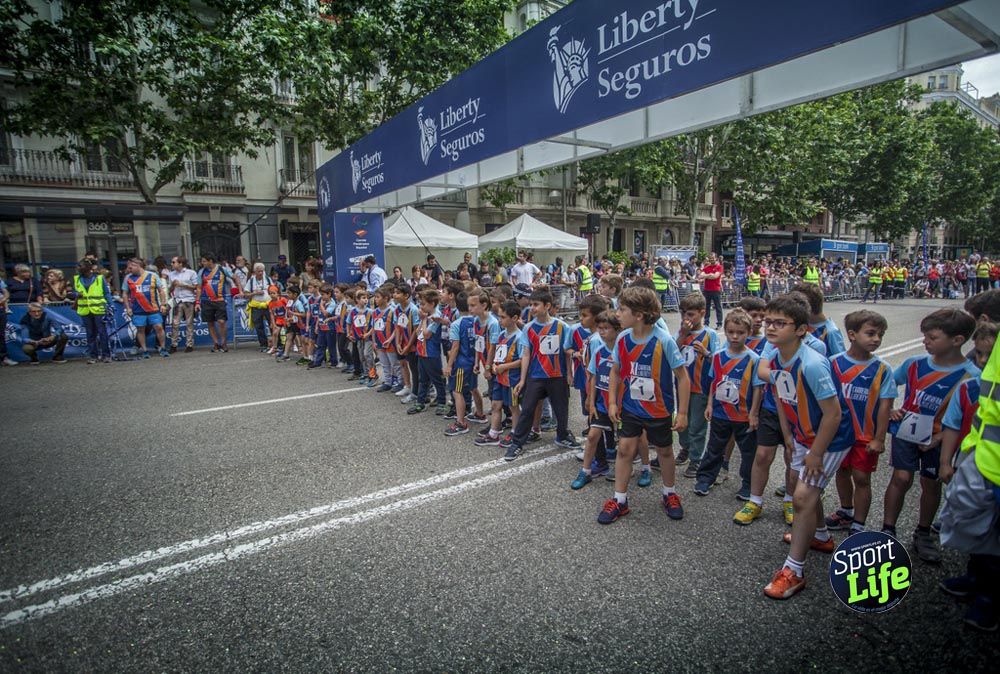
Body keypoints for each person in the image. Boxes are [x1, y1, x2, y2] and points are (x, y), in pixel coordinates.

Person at [759, 295, 854, 600]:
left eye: (780, 323)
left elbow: (834, 414)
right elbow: (780, 396)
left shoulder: (812, 364)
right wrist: (789, 437)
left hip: (828, 439)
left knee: (802, 497)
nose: (771, 328)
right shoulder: (774, 356)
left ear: (801, 329)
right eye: (768, 321)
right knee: (809, 492)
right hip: (802, 435)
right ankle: (822, 537)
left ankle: (794, 571)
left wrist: (815, 453)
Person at [881, 308, 979, 563]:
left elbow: (967, 420)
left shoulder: (971, 376)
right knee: (901, 478)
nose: (925, 341)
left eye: (932, 337)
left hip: (940, 438)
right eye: (924, 336)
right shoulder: (915, 363)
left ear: (957, 340)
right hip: (907, 430)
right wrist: (890, 409)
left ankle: (923, 532)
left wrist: (940, 438)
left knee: (931, 483)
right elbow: (886, 384)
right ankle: (887, 529)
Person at [598, 286, 689, 524]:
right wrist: (612, 401)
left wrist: (683, 413)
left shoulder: (664, 340)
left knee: (665, 451)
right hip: (631, 407)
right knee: (625, 450)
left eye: (622, 309)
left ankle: (669, 493)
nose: (617, 313)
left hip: (659, 409)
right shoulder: (622, 339)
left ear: (639, 315)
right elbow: (616, 372)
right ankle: (619, 500)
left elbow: (683, 377)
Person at [823, 311, 896, 536]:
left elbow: (885, 406)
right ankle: (846, 511)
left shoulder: (882, 369)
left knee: (862, 478)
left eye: (880, 335)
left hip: (864, 435)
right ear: (852, 335)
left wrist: (879, 438)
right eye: (871, 333)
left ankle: (859, 523)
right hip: (838, 433)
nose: (876, 339)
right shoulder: (833, 364)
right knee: (842, 472)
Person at [504, 288, 581, 459]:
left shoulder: (562, 327)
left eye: (536, 304)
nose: (532, 308)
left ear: (547, 306)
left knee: (561, 409)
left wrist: (569, 374)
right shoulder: (528, 329)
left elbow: (566, 351)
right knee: (528, 409)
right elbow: (526, 354)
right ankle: (517, 443)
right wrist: (523, 380)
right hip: (536, 376)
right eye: (531, 304)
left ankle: (562, 435)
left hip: (557, 376)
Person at [694, 309, 760, 496]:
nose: (735, 336)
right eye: (731, 332)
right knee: (714, 448)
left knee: (748, 453)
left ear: (748, 333)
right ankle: (705, 478)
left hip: (743, 415)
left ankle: (748, 484)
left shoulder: (753, 359)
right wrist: (709, 405)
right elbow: (714, 382)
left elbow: (757, 388)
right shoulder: (717, 356)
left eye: (740, 333)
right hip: (720, 412)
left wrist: (754, 413)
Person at [571, 309, 620, 489]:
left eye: (606, 328)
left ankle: (632, 468)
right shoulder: (598, 350)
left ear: (617, 329)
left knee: (625, 440)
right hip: (601, 402)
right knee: (592, 436)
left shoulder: (623, 350)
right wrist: (591, 401)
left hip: (621, 404)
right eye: (599, 328)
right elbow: (592, 377)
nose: (601, 331)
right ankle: (586, 471)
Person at [675, 292, 720, 477]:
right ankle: (685, 448)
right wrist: (682, 335)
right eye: (683, 314)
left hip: (700, 387)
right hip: (681, 387)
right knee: (682, 422)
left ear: (702, 313)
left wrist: (707, 353)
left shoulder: (710, 334)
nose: (686, 318)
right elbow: (672, 352)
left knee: (697, 425)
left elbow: (718, 360)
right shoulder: (681, 333)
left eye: (691, 314)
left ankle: (696, 458)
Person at [476, 300, 525, 446]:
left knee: (513, 407)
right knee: (496, 405)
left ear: (514, 318)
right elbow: (495, 351)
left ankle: (516, 433)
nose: (499, 320)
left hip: (512, 378)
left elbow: (523, 360)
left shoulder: (520, 337)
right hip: (500, 377)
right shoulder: (502, 334)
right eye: (499, 316)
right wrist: (490, 366)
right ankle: (494, 433)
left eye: (503, 317)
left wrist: (505, 367)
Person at [443, 291, 477, 436]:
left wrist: (449, 365)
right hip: (473, 360)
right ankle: (480, 413)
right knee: (473, 388)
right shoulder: (476, 321)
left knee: (457, 392)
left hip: (461, 362)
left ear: (457, 305)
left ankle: (461, 422)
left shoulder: (456, 323)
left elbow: (455, 346)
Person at [409, 289, 447, 415]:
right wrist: (422, 320)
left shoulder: (436, 316)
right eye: (420, 304)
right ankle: (420, 402)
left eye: (423, 304)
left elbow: (426, 334)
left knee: (437, 379)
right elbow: (417, 333)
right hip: (421, 351)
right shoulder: (425, 316)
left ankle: (442, 402)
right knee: (423, 379)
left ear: (432, 304)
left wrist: (424, 320)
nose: (421, 306)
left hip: (431, 353)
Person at [121, 257, 170, 358]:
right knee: (140, 329)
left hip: (153, 308)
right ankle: (144, 350)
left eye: (131, 267)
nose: (129, 269)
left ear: (137, 266)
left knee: (159, 327)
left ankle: (163, 348)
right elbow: (125, 294)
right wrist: (128, 308)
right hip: (137, 309)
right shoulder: (128, 278)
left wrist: (163, 304)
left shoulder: (153, 276)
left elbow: (161, 291)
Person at [70, 259, 112, 364]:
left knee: (102, 332)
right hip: (85, 309)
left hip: (98, 309)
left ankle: (106, 355)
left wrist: (110, 305)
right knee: (90, 333)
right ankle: (93, 356)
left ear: (88, 267)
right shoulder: (76, 279)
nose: (78, 268)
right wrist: (76, 295)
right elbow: (72, 292)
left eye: (80, 266)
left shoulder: (99, 278)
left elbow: (106, 293)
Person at [197, 252, 232, 352]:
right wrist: (197, 302)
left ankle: (224, 343)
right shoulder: (201, 272)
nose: (202, 263)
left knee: (221, 321)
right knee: (210, 322)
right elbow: (199, 287)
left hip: (220, 300)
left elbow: (235, 277)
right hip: (206, 301)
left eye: (204, 261)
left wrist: (240, 290)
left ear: (210, 261)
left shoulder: (222, 269)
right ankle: (216, 343)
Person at [166, 256, 198, 353]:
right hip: (177, 300)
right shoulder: (171, 274)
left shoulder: (191, 273)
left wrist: (182, 284)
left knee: (189, 323)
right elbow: (169, 290)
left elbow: (196, 287)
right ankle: (174, 345)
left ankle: (189, 345)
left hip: (188, 300)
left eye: (173, 262)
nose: (172, 264)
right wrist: (172, 285)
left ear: (180, 263)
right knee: (175, 323)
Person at [242, 262, 272, 351]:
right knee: (259, 326)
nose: (261, 273)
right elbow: (246, 294)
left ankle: (277, 344)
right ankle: (263, 344)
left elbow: (274, 289)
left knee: (272, 324)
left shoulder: (268, 279)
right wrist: (255, 293)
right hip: (256, 306)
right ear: (255, 272)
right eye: (259, 271)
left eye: (262, 271)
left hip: (268, 305)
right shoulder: (251, 281)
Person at [698, 254, 724, 329]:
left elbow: (715, 276)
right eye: (710, 258)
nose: (711, 259)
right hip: (707, 290)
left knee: (718, 307)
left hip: (716, 290)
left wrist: (706, 275)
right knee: (706, 307)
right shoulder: (707, 267)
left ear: (716, 258)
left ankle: (719, 323)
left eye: (713, 258)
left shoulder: (719, 267)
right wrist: (709, 275)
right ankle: (706, 323)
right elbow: (700, 276)